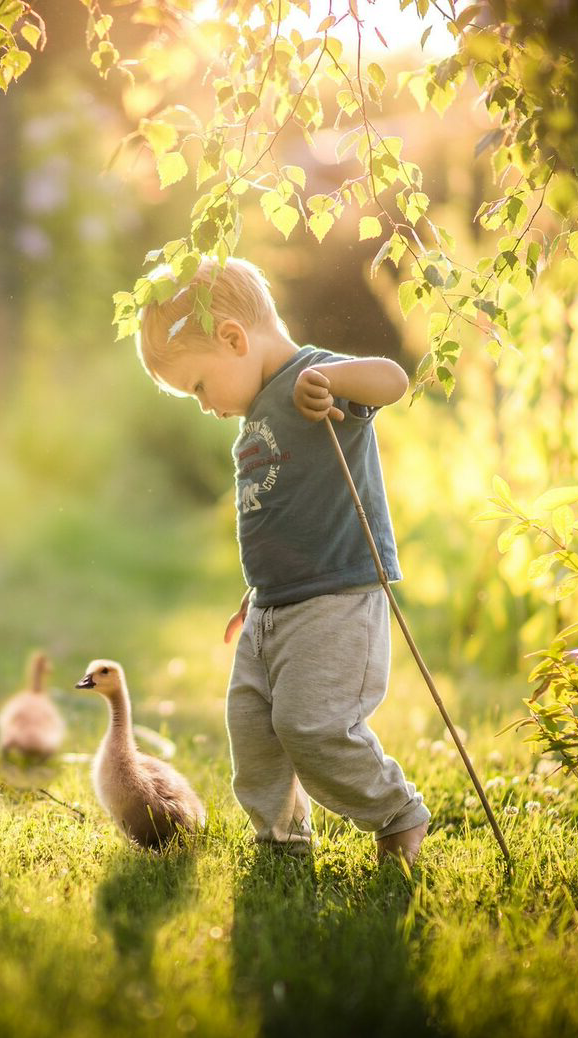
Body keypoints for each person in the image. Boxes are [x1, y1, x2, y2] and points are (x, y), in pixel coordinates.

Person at [135, 257, 430, 865]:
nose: (203, 405)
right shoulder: (252, 417)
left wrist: (336, 379)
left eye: (196, 386)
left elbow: (393, 379)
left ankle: (396, 812)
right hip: (273, 605)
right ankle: (280, 839)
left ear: (234, 339)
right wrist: (257, 588)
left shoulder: (314, 376)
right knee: (253, 728)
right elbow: (277, 513)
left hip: (335, 597)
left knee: (312, 725)